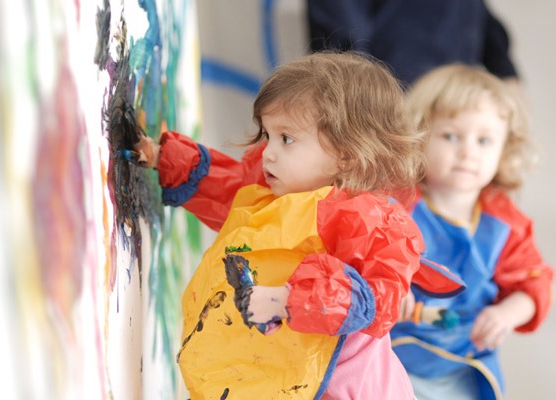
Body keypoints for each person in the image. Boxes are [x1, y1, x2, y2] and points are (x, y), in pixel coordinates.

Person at [130, 52, 464, 399]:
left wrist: (286, 300)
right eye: (267, 134)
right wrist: (162, 158)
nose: (269, 152)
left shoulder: (367, 220)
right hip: (273, 377)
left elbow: (375, 302)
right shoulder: (273, 193)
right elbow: (227, 189)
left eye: (286, 138)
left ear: (347, 153)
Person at [390, 64, 553, 400]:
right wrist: (388, 280)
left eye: (484, 141)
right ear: (418, 137)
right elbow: (358, 252)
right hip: (389, 357)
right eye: (450, 136)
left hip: (465, 365)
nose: (468, 152)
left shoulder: (506, 224)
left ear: (504, 150)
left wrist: (505, 314)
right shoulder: (395, 202)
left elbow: (534, 284)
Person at [307, 0, 519, 86]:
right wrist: (368, 98)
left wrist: (506, 73)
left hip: (454, 100)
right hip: (392, 99)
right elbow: (343, 35)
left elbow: (475, 13)